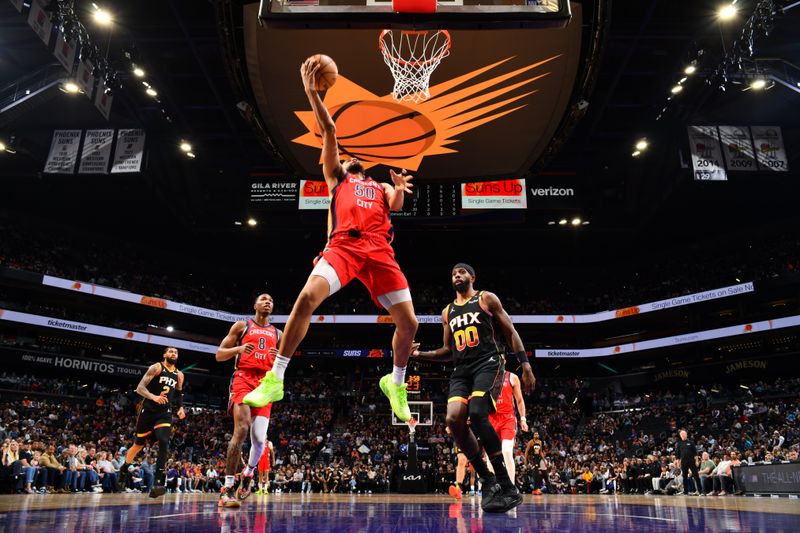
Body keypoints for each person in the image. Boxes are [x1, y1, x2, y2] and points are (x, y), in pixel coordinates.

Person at [243, 57, 418, 424]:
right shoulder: (337, 177)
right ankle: (276, 376)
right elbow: (331, 133)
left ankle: (395, 383)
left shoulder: (379, 185)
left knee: (410, 324)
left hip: (380, 250)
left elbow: (396, 203)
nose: (350, 158)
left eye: (355, 158)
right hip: (344, 246)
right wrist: (311, 92)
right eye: (346, 156)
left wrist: (399, 189)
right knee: (306, 297)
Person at [412, 263, 536, 513]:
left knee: (478, 412)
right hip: (462, 369)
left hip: (488, 362)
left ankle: (506, 485)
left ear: (472, 277)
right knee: (454, 419)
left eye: (461, 272)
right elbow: (447, 351)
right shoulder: (447, 312)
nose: (456, 275)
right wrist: (419, 354)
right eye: (453, 273)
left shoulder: (486, 298)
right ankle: (488, 482)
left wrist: (525, 366)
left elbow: (510, 331)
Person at [216, 293, 282, 508]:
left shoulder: (278, 334)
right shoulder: (242, 326)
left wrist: (278, 358)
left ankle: (248, 473)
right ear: (255, 305)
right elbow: (219, 355)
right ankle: (226, 488)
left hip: (265, 384)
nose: (268, 302)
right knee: (242, 429)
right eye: (263, 299)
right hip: (244, 378)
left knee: (260, 440)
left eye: (271, 300)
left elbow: (285, 362)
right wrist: (239, 349)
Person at [116, 347, 186, 498]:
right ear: (164, 355)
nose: (173, 354)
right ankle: (124, 468)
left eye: (176, 352)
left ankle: (158, 482)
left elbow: (179, 393)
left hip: (164, 413)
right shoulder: (156, 367)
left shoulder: (179, 375)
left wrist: (180, 407)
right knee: (138, 445)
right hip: (148, 410)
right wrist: (153, 397)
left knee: (163, 441)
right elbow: (139, 388)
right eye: (170, 352)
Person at [487, 370, 528, 484]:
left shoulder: (512, 377)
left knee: (506, 451)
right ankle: (493, 487)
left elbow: (519, 400)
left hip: (508, 419)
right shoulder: (485, 376)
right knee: (490, 456)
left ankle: (511, 487)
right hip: (491, 419)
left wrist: (523, 419)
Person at [677, 429, 702, 495]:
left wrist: (696, 461)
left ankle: (700, 491)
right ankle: (686, 492)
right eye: (681, 434)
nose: (682, 435)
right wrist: (678, 462)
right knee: (684, 477)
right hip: (683, 462)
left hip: (691, 461)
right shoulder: (679, 444)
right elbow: (678, 454)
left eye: (684, 434)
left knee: (696, 476)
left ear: (686, 435)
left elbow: (695, 453)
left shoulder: (691, 442)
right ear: (680, 435)